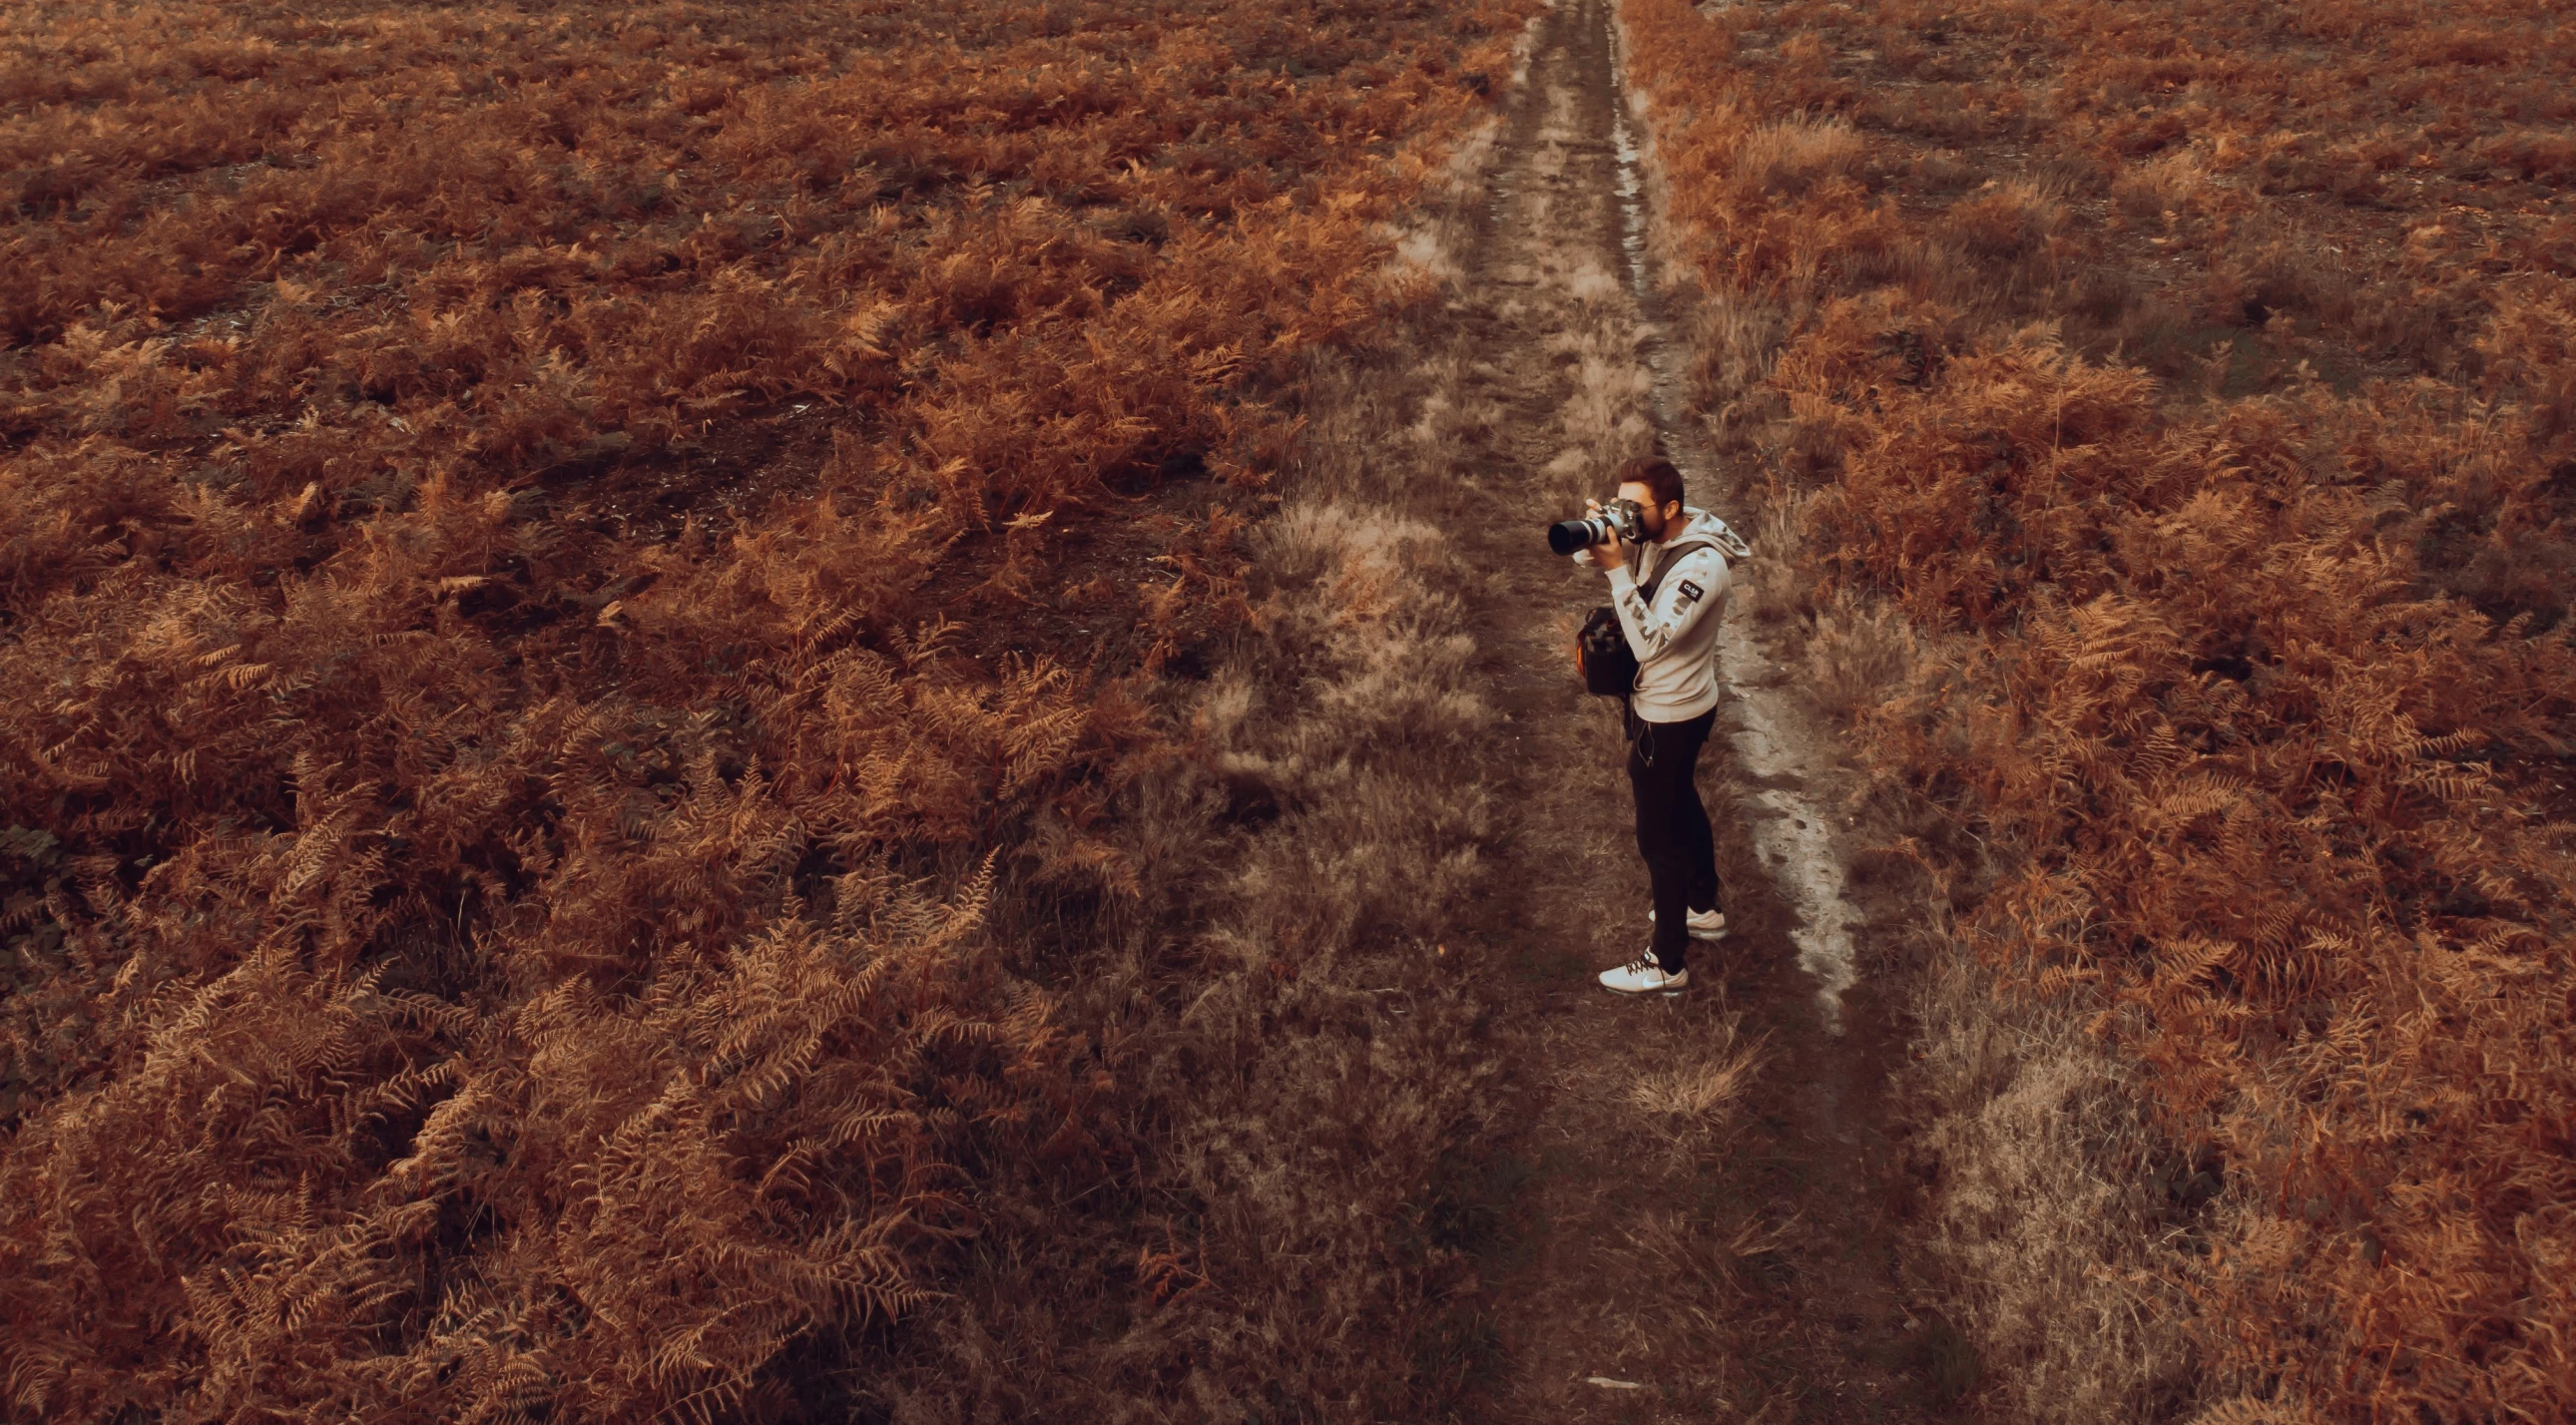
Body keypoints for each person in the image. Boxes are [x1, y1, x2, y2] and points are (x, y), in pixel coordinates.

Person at [1573, 455, 1736, 995]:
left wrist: (1617, 570)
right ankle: (1703, 906)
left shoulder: (1701, 567)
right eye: (1622, 504)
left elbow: (1647, 642)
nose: (1628, 516)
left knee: (1657, 837)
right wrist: (1603, 532)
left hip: (1670, 713)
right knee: (1682, 801)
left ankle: (1666, 962)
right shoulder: (1663, 531)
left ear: (1670, 507)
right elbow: (1585, 558)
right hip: (1679, 703)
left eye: (1633, 507)